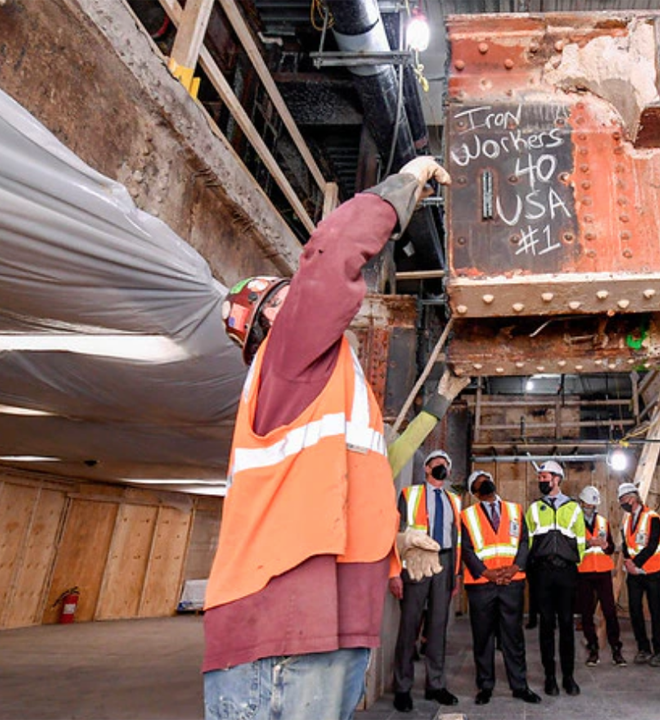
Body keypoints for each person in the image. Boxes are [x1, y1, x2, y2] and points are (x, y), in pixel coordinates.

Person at [203, 157, 463, 720]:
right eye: (282, 298)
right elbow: (328, 258)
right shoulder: (286, 356)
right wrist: (402, 187)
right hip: (284, 624)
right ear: (267, 325)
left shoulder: (326, 386)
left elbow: (366, 474)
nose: (295, 298)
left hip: (327, 620)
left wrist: (395, 541)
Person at [459, 470, 542, 707]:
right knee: (483, 637)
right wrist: (487, 572)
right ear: (474, 492)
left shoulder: (515, 510)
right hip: (481, 585)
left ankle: (520, 686)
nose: (484, 483)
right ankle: (485, 686)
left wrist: (515, 568)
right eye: (478, 482)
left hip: (511, 583)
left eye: (486, 479)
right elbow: (466, 549)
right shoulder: (467, 515)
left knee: (513, 637)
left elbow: (524, 541)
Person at [391, 450, 462, 713]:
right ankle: (402, 688)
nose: (442, 467)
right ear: (427, 469)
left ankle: (435, 685)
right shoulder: (410, 495)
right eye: (437, 464)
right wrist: (395, 572)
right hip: (417, 563)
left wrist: (455, 574)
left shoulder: (454, 500)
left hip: (443, 564)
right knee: (409, 625)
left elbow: (457, 539)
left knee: (437, 627)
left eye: (446, 464)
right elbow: (397, 536)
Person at [526, 460, 586, 697]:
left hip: (566, 573)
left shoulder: (573, 508)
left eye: (545, 477)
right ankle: (550, 676)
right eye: (539, 477)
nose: (541, 481)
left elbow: (580, 539)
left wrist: (571, 562)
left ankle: (569, 677)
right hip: (541, 573)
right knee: (546, 626)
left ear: (557, 479)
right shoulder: (534, 508)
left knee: (566, 626)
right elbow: (528, 540)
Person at [619, 482, 660, 667]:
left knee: (655, 611)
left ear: (632, 498)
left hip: (654, 572)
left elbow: (652, 545)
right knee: (635, 610)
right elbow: (625, 543)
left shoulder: (653, 518)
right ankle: (643, 648)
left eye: (624, 499)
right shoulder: (626, 520)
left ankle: (659, 651)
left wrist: (635, 563)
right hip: (634, 574)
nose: (622, 503)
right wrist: (628, 561)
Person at [576, 485, 626, 668]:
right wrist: (588, 544)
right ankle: (593, 649)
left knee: (610, 611)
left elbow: (611, 548)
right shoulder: (575, 523)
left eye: (592, 505)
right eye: (587, 504)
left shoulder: (603, 522)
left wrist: (606, 546)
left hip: (603, 571)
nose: (590, 508)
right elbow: (572, 548)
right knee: (587, 614)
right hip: (583, 572)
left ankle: (616, 650)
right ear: (581, 503)